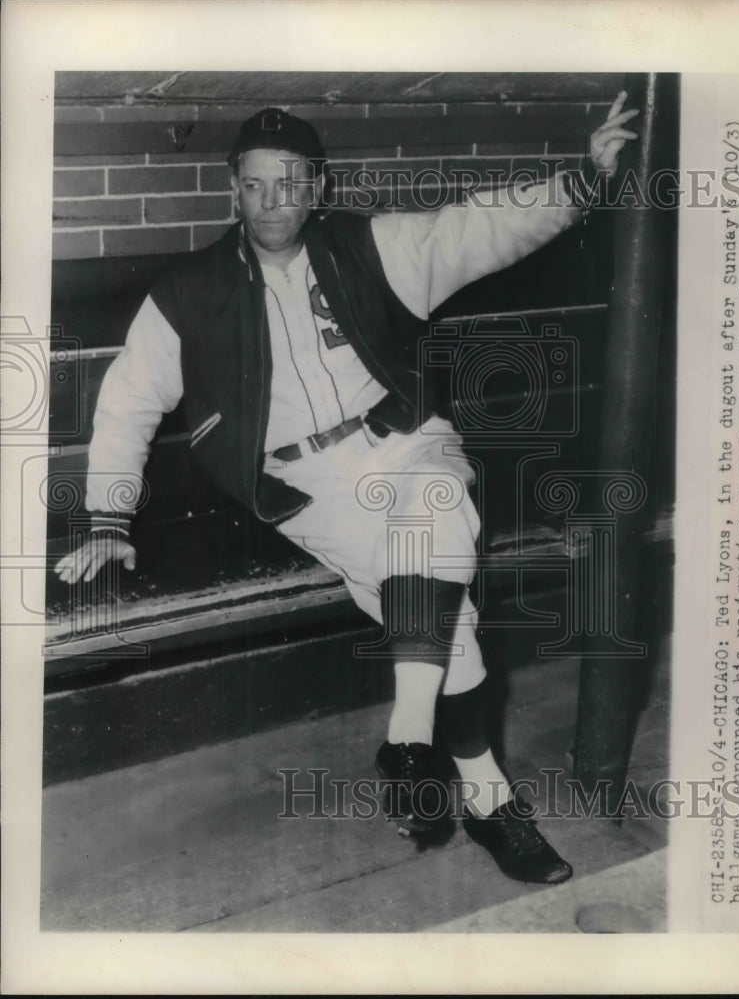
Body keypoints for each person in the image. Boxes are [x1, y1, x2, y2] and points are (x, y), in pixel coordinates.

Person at [55, 93, 638, 884]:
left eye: (290, 181)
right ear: (234, 188)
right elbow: (125, 404)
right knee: (445, 602)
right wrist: (108, 516)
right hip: (309, 484)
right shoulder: (188, 294)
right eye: (255, 183)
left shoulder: (370, 247)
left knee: (435, 515)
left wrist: (581, 178)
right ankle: (485, 797)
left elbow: (475, 229)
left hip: (406, 444)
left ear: (317, 186)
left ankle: (408, 742)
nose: (272, 200)